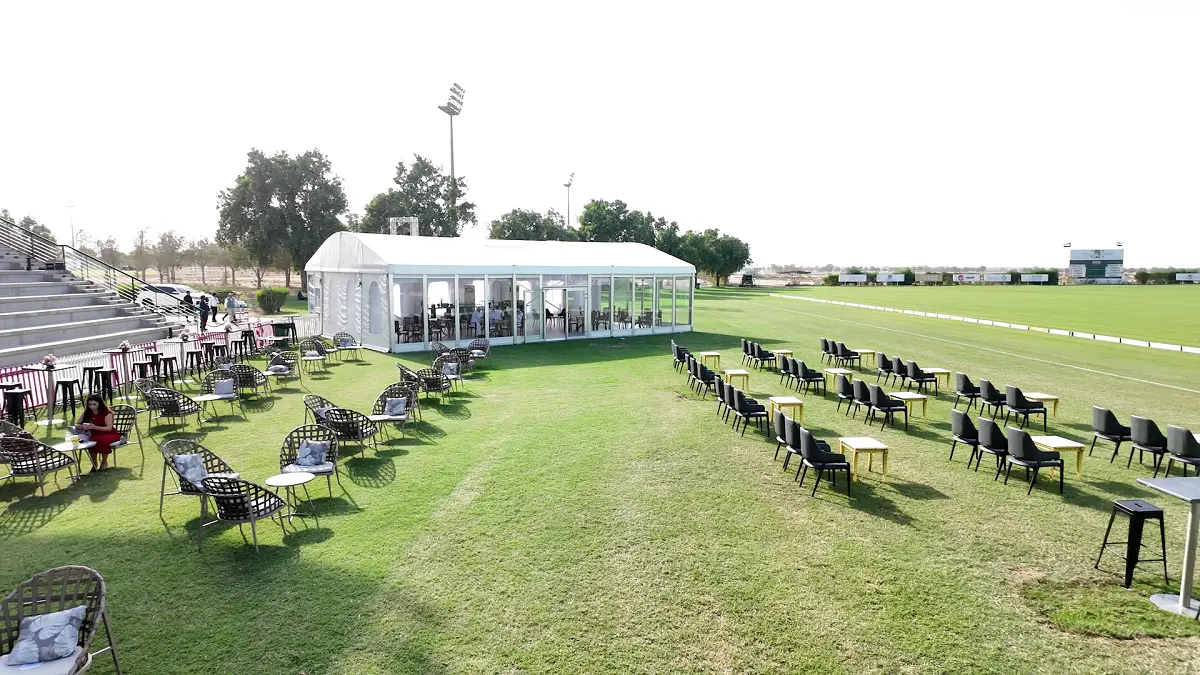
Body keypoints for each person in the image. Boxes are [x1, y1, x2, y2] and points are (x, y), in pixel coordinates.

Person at [75, 395, 122, 472]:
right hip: (95, 433)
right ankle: (94, 463)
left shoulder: (107, 413)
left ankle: (104, 462)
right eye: (90, 404)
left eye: (94, 404)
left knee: (101, 441)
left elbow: (108, 428)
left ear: (99, 403)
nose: (92, 406)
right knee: (91, 441)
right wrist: (83, 426)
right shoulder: (87, 412)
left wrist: (94, 427)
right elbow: (77, 424)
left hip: (109, 434)